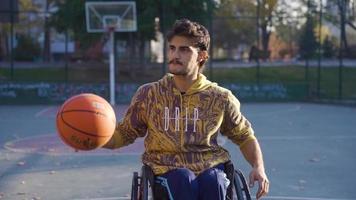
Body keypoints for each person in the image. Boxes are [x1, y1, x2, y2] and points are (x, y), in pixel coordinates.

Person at [103, 18, 269, 200]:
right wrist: (96, 138)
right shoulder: (149, 94)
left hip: (210, 167)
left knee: (213, 181)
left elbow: (244, 136)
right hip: (165, 169)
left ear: (202, 56)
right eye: (172, 48)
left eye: (184, 49)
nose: (175, 55)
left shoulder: (220, 97)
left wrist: (258, 167)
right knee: (183, 178)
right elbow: (125, 133)